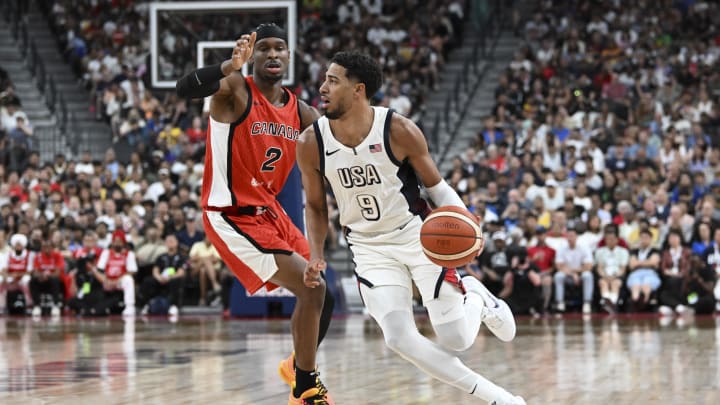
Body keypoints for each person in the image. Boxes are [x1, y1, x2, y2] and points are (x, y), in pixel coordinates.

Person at [297, 51, 524, 405]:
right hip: (368, 247)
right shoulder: (312, 142)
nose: (322, 87)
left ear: (358, 90)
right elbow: (314, 205)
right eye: (325, 78)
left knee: (456, 338)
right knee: (399, 337)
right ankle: (495, 397)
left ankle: (476, 297)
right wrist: (315, 254)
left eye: (332, 80)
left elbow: (437, 188)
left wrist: (468, 227)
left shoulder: (399, 130)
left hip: (418, 236)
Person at [175, 23, 334, 404]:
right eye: (264, 49)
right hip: (230, 213)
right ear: (254, 55)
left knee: (322, 295)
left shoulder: (303, 112)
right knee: (313, 287)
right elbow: (184, 89)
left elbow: (339, 145)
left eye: (280, 48)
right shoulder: (234, 90)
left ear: (289, 56)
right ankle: (306, 387)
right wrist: (227, 67)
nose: (273, 55)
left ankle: (297, 365)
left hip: (270, 212)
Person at [137, 234, 187, 316]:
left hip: (173, 279)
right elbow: (155, 270)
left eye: (172, 241)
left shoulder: (181, 257)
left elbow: (181, 272)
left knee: (177, 281)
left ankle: (173, 305)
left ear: (176, 243)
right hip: (161, 279)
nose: (170, 243)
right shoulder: (161, 257)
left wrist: (169, 278)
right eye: (168, 241)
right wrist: (159, 277)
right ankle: (147, 305)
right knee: (148, 281)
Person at [94, 230, 137, 316]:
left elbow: (132, 271)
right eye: (115, 241)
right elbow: (99, 270)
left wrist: (117, 281)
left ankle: (130, 306)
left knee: (128, 280)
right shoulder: (106, 253)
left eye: (119, 241)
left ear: (123, 242)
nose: (117, 244)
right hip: (107, 281)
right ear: (112, 242)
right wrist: (105, 280)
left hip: (120, 281)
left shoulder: (129, 254)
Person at [553, 226, 594, 314]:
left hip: (581, 274)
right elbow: (559, 266)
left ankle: (587, 302)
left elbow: (588, 266)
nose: (570, 238)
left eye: (572, 236)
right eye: (568, 236)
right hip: (567, 274)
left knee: (588, 275)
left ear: (576, 237)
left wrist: (575, 272)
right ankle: (560, 302)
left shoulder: (584, 247)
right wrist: (572, 274)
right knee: (558, 276)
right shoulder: (561, 248)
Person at [30, 238, 65, 317]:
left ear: (52, 248)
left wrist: (48, 276)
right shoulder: (37, 256)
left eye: (48, 247)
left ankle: (55, 305)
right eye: (44, 247)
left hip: (53, 281)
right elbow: (35, 272)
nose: (46, 249)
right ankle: (37, 306)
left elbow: (58, 272)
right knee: (32, 280)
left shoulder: (58, 255)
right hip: (41, 280)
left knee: (55, 280)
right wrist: (41, 275)